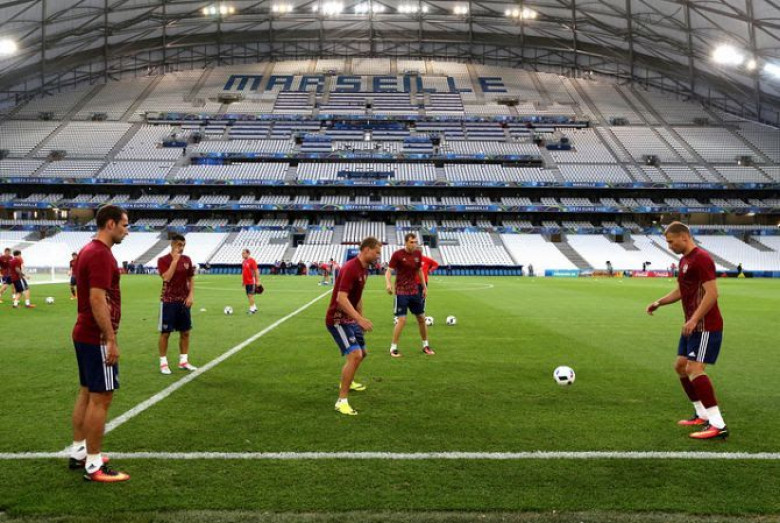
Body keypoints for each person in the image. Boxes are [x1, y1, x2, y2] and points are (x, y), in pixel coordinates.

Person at [646, 221, 728, 440]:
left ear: (684, 237)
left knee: (694, 368)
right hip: (692, 325)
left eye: (671, 242)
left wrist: (694, 319)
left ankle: (718, 425)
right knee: (681, 366)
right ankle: (701, 415)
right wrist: (659, 302)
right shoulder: (684, 260)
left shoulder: (701, 258)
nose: (669, 246)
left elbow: (712, 293)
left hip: (705, 325)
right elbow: (681, 290)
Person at [68, 204, 130, 482]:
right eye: (124, 225)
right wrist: (111, 338)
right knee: (101, 398)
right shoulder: (101, 254)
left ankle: (79, 451)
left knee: (86, 392)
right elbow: (97, 298)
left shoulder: (88, 250)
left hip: (84, 332)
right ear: (110, 224)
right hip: (96, 336)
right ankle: (93, 464)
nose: (127, 231)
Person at [326, 237, 382, 416]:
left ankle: (348, 381)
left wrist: (360, 318)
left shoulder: (365, 270)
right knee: (355, 355)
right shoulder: (351, 268)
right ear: (366, 250)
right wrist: (359, 319)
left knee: (362, 353)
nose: (378, 256)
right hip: (337, 319)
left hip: (350, 319)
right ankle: (341, 401)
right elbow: (341, 299)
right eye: (377, 252)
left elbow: (357, 297)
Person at [385, 233, 432, 357]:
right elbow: (388, 271)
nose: (414, 244)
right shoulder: (397, 255)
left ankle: (426, 345)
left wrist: (424, 287)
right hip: (401, 291)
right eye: (411, 242)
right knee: (402, 320)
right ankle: (393, 348)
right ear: (406, 242)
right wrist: (388, 284)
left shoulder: (418, 254)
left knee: (421, 318)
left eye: (415, 242)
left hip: (414, 291)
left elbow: (419, 271)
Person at [157, 234, 197, 375]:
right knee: (165, 333)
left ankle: (183, 361)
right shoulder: (163, 260)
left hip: (183, 301)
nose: (181, 247)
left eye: (183, 245)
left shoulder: (187, 260)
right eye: (179, 244)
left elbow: (191, 279)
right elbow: (166, 278)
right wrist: (174, 261)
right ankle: (163, 363)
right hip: (168, 301)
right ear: (172, 244)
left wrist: (191, 295)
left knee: (185, 332)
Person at [241, 248, 261, 314]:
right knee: (248, 295)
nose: (242, 254)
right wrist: (243, 281)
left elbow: (256, 271)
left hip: (251, 281)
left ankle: (252, 309)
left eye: (244, 253)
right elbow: (244, 271)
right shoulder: (243, 262)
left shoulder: (252, 261)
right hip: (246, 281)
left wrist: (257, 281)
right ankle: (254, 307)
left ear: (248, 253)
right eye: (242, 253)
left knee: (250, 295)